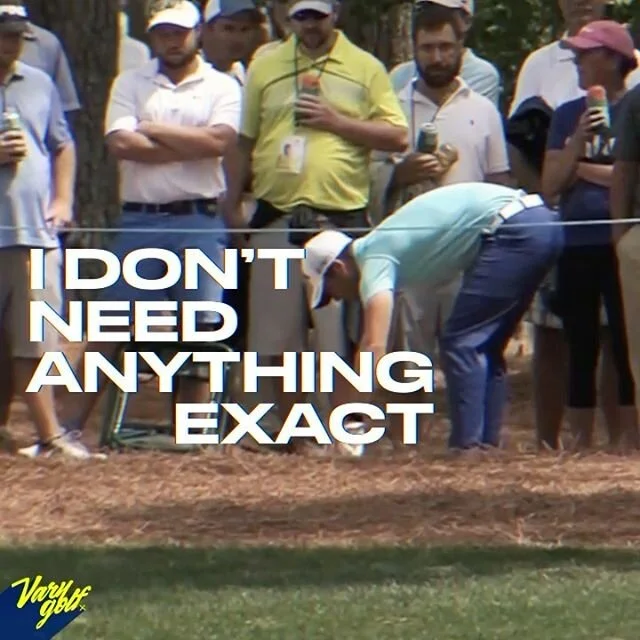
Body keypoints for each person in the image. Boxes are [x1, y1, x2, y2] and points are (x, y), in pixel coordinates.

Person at [223, 0, 408, 456]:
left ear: (335, 14)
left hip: (337, 221)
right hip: (277, 216)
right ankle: (292, 434)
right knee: (277, 336)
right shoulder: (266, 65)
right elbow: (244, 141)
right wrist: (230, 203)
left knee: (333, 337)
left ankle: (340, 431)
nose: (309, 25)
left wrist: (336, 122)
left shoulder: (365, 67)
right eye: (300, 16)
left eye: (317, 16)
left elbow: (397, 135)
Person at [57, 0, 241, 440]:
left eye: (179, 32)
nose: (171, 41)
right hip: (139, 220)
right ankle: (64, 431)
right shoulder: (130, 81)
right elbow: (121, 144)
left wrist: (153, 130)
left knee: (201, 326)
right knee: (111, 322)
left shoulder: (222, 84)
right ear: (151, 35)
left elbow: (219, 142)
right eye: (162, 33)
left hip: (198, 219)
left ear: (198, 32)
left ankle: (191, 435)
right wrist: (189, 145)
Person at [302, 183, 563, 451]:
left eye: (331, 291)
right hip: (539, 222)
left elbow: (374, 345)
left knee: (462, 342)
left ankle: (468, 448)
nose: (338, 298)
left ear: (338, 268)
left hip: (514, 230)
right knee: (485, 344)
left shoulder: (373, 257)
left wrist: (350, 422)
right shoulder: (380, 248)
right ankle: (484, 446)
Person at [368, 1, 511, 446]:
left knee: (472, 352)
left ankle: (475, 445)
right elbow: (368, 178)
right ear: (413, 49)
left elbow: (500, 181)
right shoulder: (391, 109)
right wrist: (399, 173)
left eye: (445, 47)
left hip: (469, 254)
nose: (437, 57)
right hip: (411, 253)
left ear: (461, 47)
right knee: (407, 358)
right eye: (427, 48)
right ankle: (407, 447)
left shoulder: (483, 110)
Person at [507, 0, 638, 449]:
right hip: (576, 239)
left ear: (613, 60)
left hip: (621, 237)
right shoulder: (566, 114)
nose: (578, 62)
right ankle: (580, 441)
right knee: (579, 341)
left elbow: (628, 178)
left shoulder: (635, 109)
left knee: (624, 339)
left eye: (586, 54)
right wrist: (579, 140)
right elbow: (549, 184)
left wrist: (585, 169)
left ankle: (626, 439)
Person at [0, 4, 97, 459]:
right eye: (5, 34)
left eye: (19, 35)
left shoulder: (39, 82)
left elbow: (63, 144)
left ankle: (49, 436)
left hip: (34, 234)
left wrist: (62, 201)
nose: (13, 43)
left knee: (35, 340)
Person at [388, 0, 501, 106]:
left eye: (443, 12)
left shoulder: (481, 76)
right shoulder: (399, 76)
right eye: (424, 11)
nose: (432, 17)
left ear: (466, 21)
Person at [201, 0, 263, 85]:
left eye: (244, 29)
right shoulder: (189, 72)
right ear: (206, 29)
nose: (238, 38)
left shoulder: (240, 71)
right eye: (228, 28)